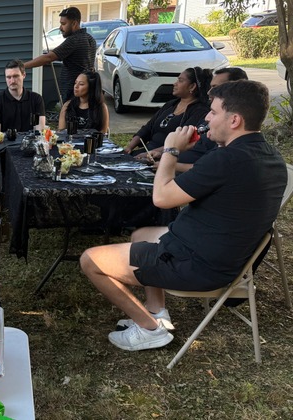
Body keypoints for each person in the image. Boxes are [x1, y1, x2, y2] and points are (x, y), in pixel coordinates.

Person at [80, 80, 286, 351]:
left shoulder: (224, 161)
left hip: (198, 265)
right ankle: (157, 313)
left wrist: (171, 150)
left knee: (90, 260)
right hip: (228, 257)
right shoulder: (270, 156)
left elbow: (162, 198)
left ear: (234, 120)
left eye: (213, 112)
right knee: (142, 233)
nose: (206, 118)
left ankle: (149, 329)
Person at [124, 67, 211, 158]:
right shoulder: (170, 104)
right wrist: (130, 147)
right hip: (147, 152)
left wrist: (151, 153)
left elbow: (184, 141)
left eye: (180, 81)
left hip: (167, 156)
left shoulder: (199, 111)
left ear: (192, 86)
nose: (175, 83)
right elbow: (148, 128)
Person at [176, 67, 249, 171]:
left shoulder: (228, 126)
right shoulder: (211, 115)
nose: (209, 92)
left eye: (215, 87)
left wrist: (168, 161)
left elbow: (212, 169)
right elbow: (190, 142)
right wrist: (165, 152)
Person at [23, 7, 96, 102]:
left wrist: (22, 66)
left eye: (63, 24)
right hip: (86, 91)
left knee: (70, 117)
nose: (60, 28)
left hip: (74, 92)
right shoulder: (90, 39)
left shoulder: (73, 40)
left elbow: (48, 57)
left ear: (74, 23)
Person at [0, 59, 45, 133]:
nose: (12, 81)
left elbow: (39, 130)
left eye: (15, 76)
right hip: (5, 143)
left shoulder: (36, 100)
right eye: (9, 77)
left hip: (30, 142)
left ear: (24, 75)